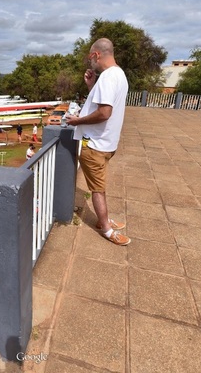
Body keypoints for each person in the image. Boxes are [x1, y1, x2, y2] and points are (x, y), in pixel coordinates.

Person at [66, 38, 130, 246]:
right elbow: (103, 104)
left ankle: (106, 228)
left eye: (90, 58)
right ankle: (105, 220)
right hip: (108, 143)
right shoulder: (118, 74)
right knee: (100, 185)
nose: (90, 63)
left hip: (94, 144)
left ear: (96, 55)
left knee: (98, 190)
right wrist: (91, 86)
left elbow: (104, 113)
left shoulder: (108, 78)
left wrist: (76, 121)